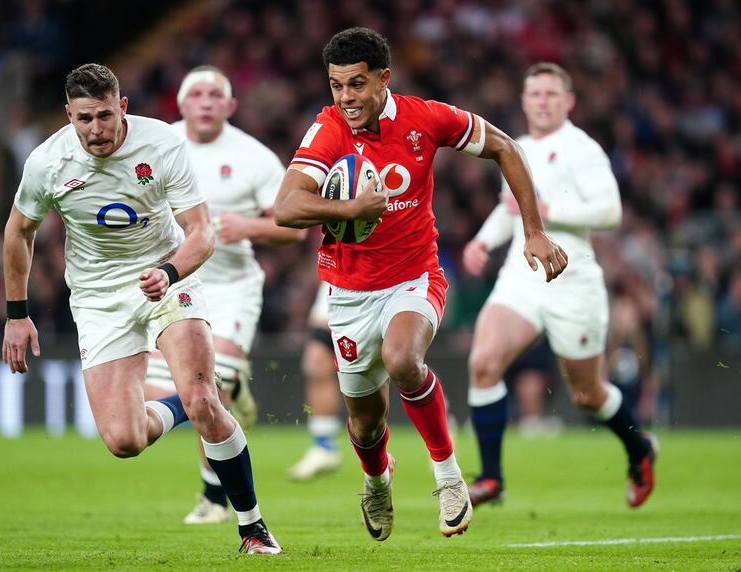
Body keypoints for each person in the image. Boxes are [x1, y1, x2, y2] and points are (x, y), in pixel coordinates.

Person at [274, 28, 567, 541]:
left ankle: (449, 477)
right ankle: (377, 479)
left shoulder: (426, 118)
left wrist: (534, 231)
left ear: (384, 78)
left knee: (404, 359)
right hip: (347, 292)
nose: (345, 98)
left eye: (357, 84)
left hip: (415, 276)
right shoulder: (327, 129)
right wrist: (350, 209)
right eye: (336, 85)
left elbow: (506, 147)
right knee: (365, 423)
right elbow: (286, 207)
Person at [1, 63, 280, 554]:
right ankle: (195, 399)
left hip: (166, 277)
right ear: (68, 114)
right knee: (125, 441)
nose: (95, 129)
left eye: (104, 115)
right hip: (97, 297)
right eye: (83, 118)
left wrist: (169, 272)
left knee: (203, 402)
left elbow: (201, 231)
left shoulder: (161, 144)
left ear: (122, 106)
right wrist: (17, 314)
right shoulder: (48, 162)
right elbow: (18, 232)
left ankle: (252, 527)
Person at [463, 62, 657, 511]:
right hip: (521, 276)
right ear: (523, 102)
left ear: (569, 102)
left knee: (588, 394)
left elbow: (610, 212)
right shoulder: (516, 148)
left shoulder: (582, 149)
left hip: (573, 281)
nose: (543, 101)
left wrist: (549, 210)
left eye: (552, 94)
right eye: (535, 94)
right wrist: (482, 241)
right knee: (484, 361)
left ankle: (638, 450)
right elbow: (509, 208)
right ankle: (491, 477)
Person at [143, 65, 305, 525]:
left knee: (209, 388)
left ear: (230, 106)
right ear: (181, 104)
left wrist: (247, 226)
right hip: (172, 284)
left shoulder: (254, 157)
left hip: (232, 288)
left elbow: (292, 228)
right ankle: (233, 385)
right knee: (170, 396)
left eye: (217, 94)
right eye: (197, 94)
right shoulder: (156, 146)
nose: (207, 101)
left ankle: (214, 498)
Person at [287, 281, 344, 480]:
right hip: (337, 275)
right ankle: (324, 447)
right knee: (316, 361)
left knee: (400, 365)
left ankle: (440, 442)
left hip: (384, 277)